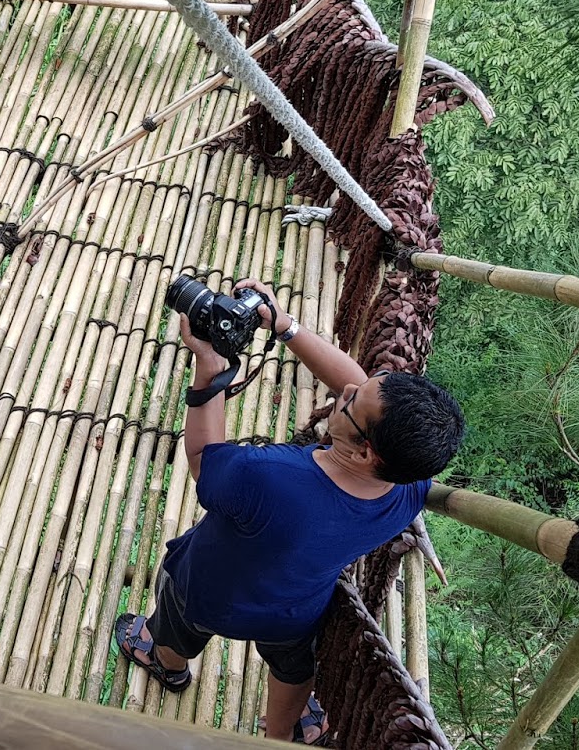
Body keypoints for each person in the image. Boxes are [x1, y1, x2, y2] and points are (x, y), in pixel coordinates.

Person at [113, 277, 464, 744]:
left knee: (175, 623)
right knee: (295, 667)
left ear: (364, 452)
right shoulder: (409, 485)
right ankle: (283, 731)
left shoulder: (268, 477)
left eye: (350, 402)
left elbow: (203, 460)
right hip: (295, 611)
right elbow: (357, 385)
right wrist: (284, 326)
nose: (346, 390)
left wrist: (210, 371)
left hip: (207, 593)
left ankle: (168, 664)